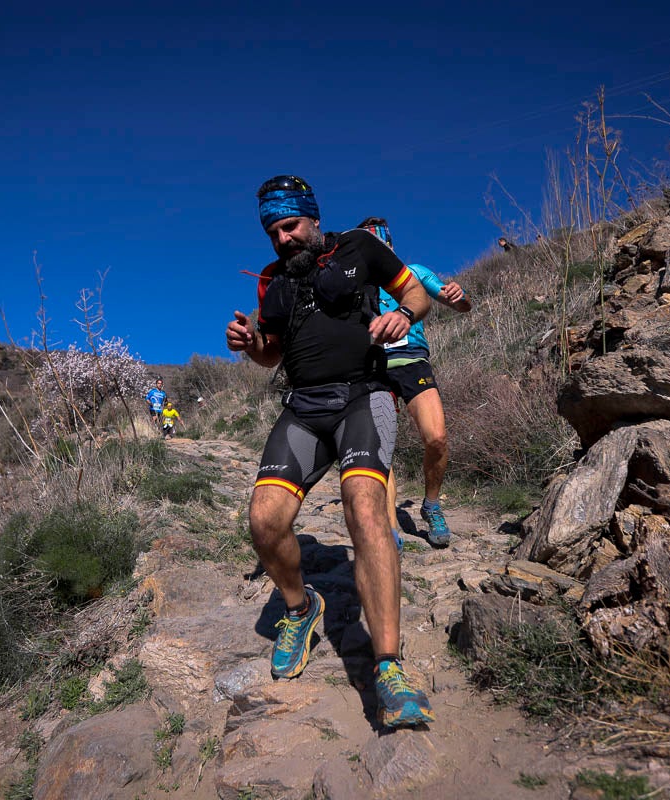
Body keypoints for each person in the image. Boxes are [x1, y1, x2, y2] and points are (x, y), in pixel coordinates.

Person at [225, 175, 435, 729]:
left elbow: (416, 292)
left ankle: (387, 666)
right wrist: (251, 345)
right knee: (264, 523)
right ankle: (301, 607)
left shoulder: (361, 248)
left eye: (290, 226)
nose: (283, 239)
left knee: (364, 508)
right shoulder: (272, 281)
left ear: (313, 219)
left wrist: (405, 316)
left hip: (365, 395)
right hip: (303, 407)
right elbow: (271, 355)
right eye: (273, 231)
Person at [358, 217, 472, 549]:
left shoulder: (415, 273)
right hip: (373, 367)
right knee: (381, 449)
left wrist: (459, 296)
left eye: (380, 244)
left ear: (390, 244)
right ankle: (390, 523)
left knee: (436, 438)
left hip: (412, 361)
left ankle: (431, 504)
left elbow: (459, 306)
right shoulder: (356, 285)